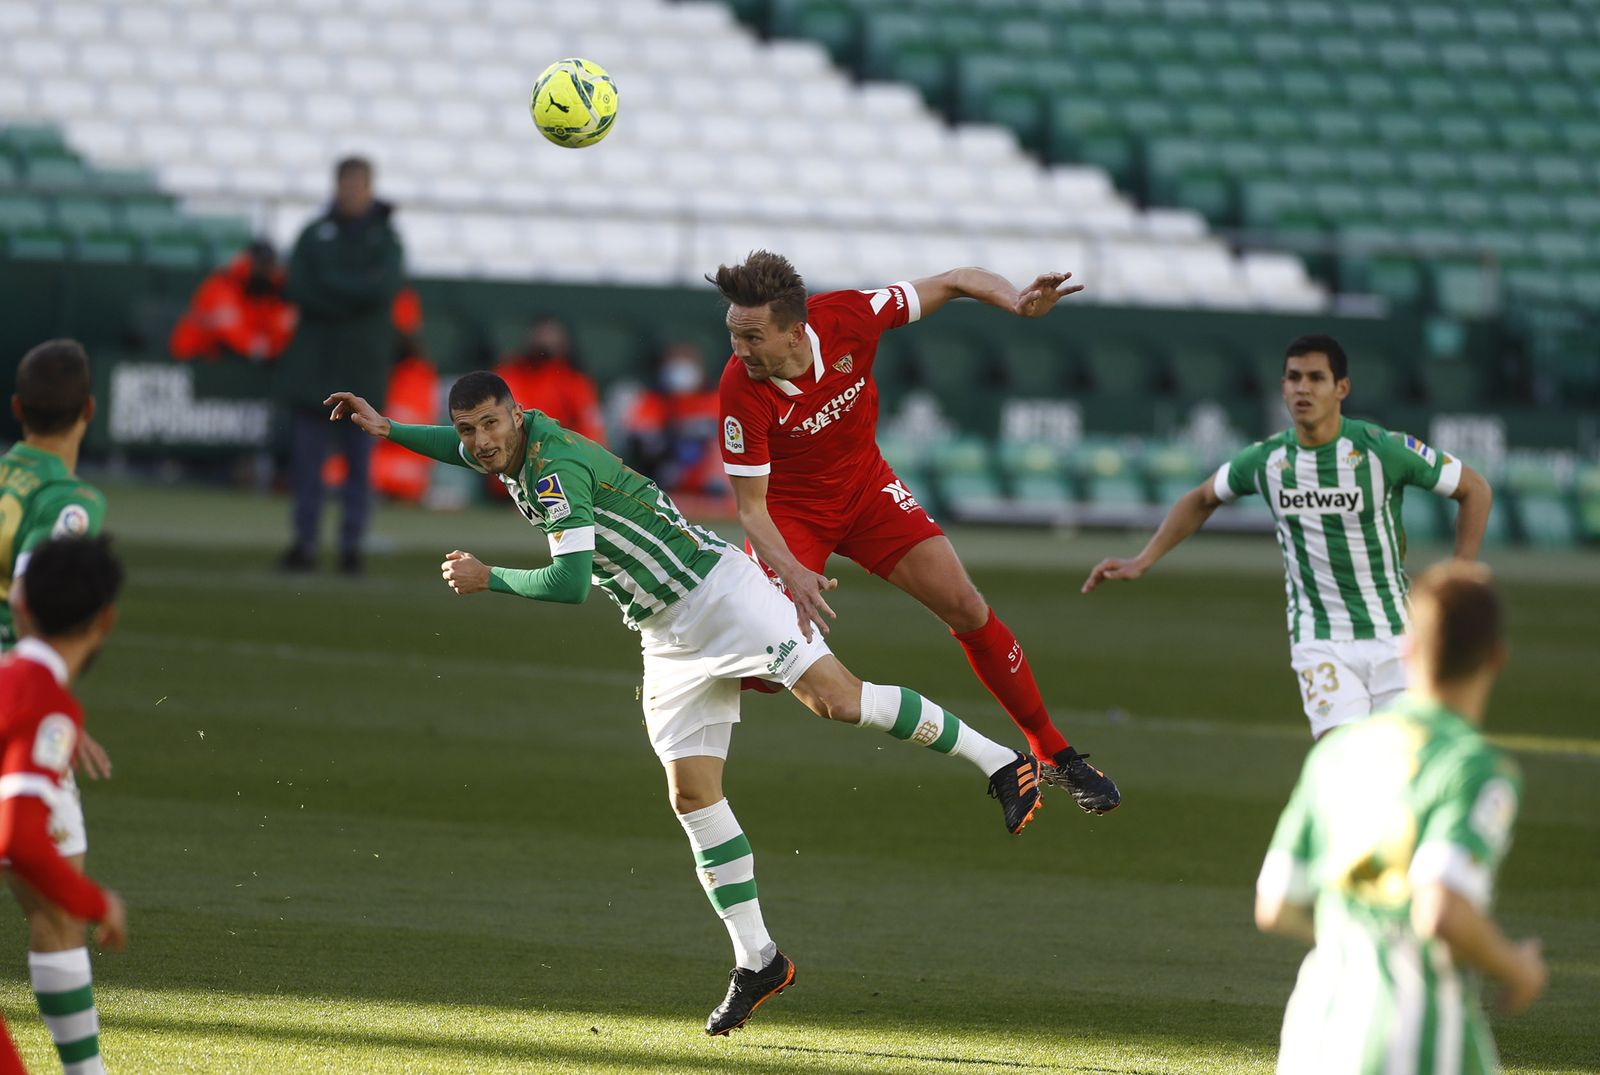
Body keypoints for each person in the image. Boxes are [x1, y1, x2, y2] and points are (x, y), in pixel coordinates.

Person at [326, 373, 1046, 1036]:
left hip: (718, 593)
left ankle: (1002, 760)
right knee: (692, 793)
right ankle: (758, 959)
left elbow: (571, 582)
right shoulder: (516, 446)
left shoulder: (552, 470)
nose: (480, 440)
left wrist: (490, 578)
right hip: (663, 629)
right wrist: (392, 431)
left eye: (490, 424)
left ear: (516, 415)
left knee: (837, 700)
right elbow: (469, 455)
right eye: (467, 429)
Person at [709, 251, 1119, 813]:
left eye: (753, 337)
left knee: (967, 606)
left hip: (866, 491)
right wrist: (795, 573)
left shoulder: (850, 317)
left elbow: (954, 280)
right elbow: (751, 510)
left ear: (797, 331)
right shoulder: (740, 388)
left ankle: (1052, 751)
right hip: (791, 517)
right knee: (768, 667)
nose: (739, 350)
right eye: (734, 334)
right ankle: (682, 665)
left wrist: (1015, 302)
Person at [1083, 335, 1494, 738]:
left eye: (1316, 378)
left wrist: (1461, 572)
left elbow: (1474, 489)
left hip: (1396, 637)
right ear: (1282, 387)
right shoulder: (1267, 460)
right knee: (1342, 765)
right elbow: (1201, 497)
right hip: (1319, 640)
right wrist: (1144, 559)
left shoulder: (1381, 450)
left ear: (1341, 388)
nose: (1303, 388)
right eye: (1294, 377)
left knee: (1405, 768)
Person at [1254, 561, 1544, 1073]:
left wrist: (1360, 943)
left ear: (1407, 649)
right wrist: (1516, 969)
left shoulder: (1338, 752)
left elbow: (1275, 903)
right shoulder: (1472, 767)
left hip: (1314, 1030)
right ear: (1496, 659)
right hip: (1411, 1034)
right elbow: (1442, 910)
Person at [0, 341, 118, 1073]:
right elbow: (31, 593)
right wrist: (38, 701)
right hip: (15, 686)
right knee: (53, 902)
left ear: (17, 409)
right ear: (89, 411)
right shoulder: (71, 498)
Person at [0, 535, 129, 1075]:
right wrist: (96, 902)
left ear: (20, 605)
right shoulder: (46, 707)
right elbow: (20, 839)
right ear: (107, 620)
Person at [277, 157, 405, 575]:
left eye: (358, 184)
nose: (351, 191)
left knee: (357, 472)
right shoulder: (315, 235)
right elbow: (297, 287)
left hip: (361, 374)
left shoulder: (385, 239)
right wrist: (352, 296)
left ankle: (352, 548)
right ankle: (305, 545)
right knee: (307, 470)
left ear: (369, 187)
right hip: (314, 371)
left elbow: (381, 289)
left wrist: (329, 288)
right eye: (345, 183)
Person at [623, 341, 726, 502]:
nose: (680, 368)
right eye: (675, 361)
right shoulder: (653, 399)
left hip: (709, 480)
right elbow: (642, 436)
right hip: (666, 475)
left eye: (686, 361)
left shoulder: (715, 398)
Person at [168, 239, 297, 362]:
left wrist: (272, 345)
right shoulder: (222, 285)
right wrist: (266, 348)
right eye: (260, 264)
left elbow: (280, 325)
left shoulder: (272, 290)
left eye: (268, 265)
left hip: (233, 362)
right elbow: (237, 333)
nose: (265, 270)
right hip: (195, 360)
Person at [493, 316, 606, 445]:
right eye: (541, 334)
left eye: (551, 335)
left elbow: (592, 432)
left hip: (559, 450)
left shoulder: (575, 381)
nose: (545, 340)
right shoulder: (509, 374)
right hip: (512, 448)